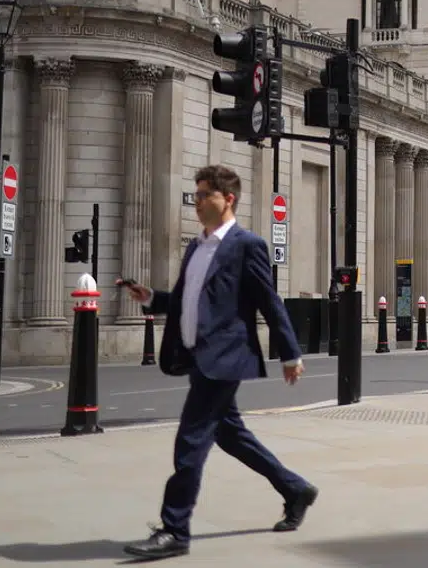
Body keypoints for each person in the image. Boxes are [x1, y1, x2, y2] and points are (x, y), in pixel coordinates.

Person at [119, 165, 316, 560]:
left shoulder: (247, 245)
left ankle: (175, 529)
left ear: (228, 199)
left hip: (225, 356)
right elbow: (187, 299)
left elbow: (269, 301)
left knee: (190, 442)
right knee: (230, 434)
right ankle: (296, 489)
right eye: (196, 194)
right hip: (198, 356)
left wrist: (291, 352)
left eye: (205, 194)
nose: (198, 202)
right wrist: (151, 299)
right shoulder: (197, 247)